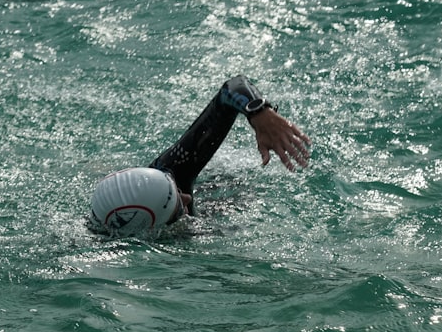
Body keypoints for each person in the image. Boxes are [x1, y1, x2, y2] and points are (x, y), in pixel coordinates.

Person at [89, 75, 311, 236]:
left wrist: (259, 112)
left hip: (220, 192)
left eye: (177, 190)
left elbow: (233, 87)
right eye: (177, 207)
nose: (187, 197)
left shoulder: (165, 175)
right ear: (152, 228)